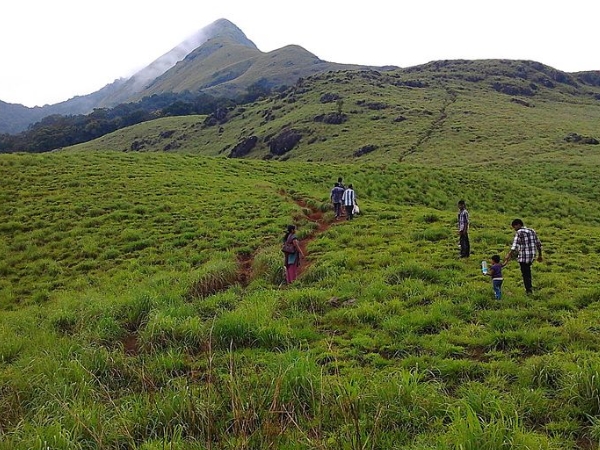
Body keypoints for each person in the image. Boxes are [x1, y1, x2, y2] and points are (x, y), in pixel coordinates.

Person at [503, 218, 543, 295]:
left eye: (514, 227)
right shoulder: (532, 231)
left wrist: (509, 254)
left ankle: (529, 291)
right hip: (531, 256)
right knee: (528, 272)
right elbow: (538, 244)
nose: (514, 229)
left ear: (518, 225)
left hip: (524, 256)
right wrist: (540, 255)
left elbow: (514, 246)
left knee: (525, 274)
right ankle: (529, 288)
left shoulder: (519, 232)